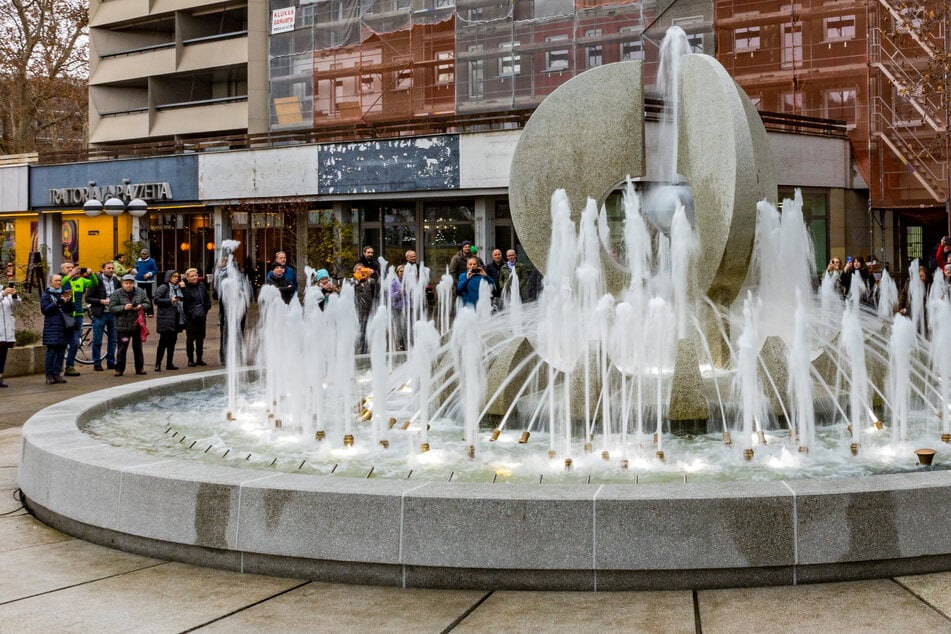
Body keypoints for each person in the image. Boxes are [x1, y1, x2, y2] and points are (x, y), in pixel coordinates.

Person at [108, 274, 150, 376]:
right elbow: (112, 308)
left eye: (130, 283)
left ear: (133, 283)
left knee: (138, 348)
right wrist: (123, 308)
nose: (128, 285)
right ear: (122, 283)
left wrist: (141, 306)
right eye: (126, 283)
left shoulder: (140, 291)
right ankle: (119, 369)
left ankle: (139, 368)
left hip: (137, 326)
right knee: (122, 348)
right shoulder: (117, 293)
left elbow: (148, 303)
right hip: (123, 327)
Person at [62, 262, 99, 377]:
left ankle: (69, 366)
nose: (71, 269)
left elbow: (94, 283)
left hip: (78, 315)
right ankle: (58, 367)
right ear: (62, 270)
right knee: (61, 341)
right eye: (68, 268)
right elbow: (61, 283)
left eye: (72, 267)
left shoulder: (81, 280)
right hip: (65, 315)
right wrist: (71, 274)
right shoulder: (61, 280)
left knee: (75, 342)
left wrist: (91, 274)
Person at [40, 274, 75, 385]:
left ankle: (57, 373)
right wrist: (58, 302)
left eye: (60, 281)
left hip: (64, 326)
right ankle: (49, 375)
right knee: (51, 352)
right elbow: (45, 310)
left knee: (61, 352)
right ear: (51, 282)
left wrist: (68, 301)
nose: (58, 283)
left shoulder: (64, 293)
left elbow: (71, 309)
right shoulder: (46, 295)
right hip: (52, 326)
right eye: (56, 281)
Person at [86, 261, 119, 371]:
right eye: (108, 268)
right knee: (97, 340)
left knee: (113, 339)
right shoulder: (96, 281)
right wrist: (101, 301)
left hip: (113, 313)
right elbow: (88, 298)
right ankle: (97, 362)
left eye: (112, 268)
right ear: (103, 269)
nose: (111, 270)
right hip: (100, 314)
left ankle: (111, 361)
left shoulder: (115, 280)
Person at [153, 270, 185, 371]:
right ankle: (158, 363)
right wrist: (170, 300)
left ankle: (169, 363)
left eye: (177, 277)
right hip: (165, 318)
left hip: (176, 318)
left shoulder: (178, 288)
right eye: (173, 277)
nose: (176, 279)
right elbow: (156, 300)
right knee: (163, 342)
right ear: (168, 277)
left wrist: (183, 289)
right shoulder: (164, 287)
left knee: (172, 342)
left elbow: (185, 298)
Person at [181, 268, 211, 367]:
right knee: (190, 339)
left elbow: (207, 299)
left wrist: (205, 309)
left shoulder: (201, 286)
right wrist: (183, 289)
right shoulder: (184, 287)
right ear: (187, 277)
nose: (194, 277)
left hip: (201, 316)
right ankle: (190, 359)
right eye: (192, 276)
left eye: (195, 275)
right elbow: (185, 301)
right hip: (190, 317)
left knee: (200, 338)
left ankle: (199, 359)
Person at [353, 264, 378, 353]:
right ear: (354, 271)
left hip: (368, 310)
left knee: (367, 330)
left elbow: (376, 292)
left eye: (362, 269)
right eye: (358, 269)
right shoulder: (352, 280)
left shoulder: (371, 281)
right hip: (357, 310)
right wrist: (359, 281)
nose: (360, 271)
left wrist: (373, 274)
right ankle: (360, 350)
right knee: (360, 330)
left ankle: (365, 350)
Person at [0, 282, 20, 387]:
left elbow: (16, 306)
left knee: (2, 354)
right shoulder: (3, 293)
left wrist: (14, 295)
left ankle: (0, 376)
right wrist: (2, 295)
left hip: (6, 330)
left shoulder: (4, 291)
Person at [390, 264, 407, 350]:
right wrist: (399, 293)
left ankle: (408, 344)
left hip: (407, 308)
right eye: (401, 271)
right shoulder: (393, 283)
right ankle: (401, 345)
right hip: (397, 308)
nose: (403, 273)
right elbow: (390, 297)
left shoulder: (409, 281)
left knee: (406, 327)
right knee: (399, 327)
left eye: (404, 271)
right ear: (397, 272)